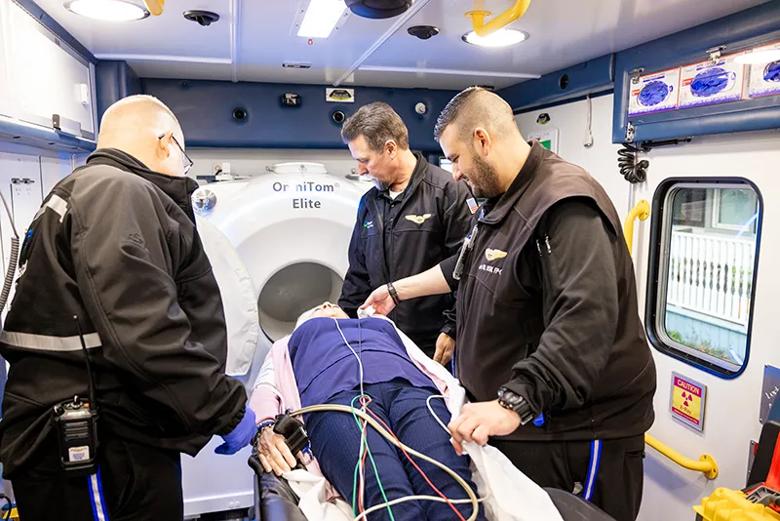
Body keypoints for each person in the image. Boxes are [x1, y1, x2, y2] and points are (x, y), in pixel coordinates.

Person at [362, 87, 656, 521]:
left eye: (457, 158)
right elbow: (465, 267)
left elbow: (586, 318)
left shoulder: (564, 203)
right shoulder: (503, 200)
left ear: (482, 139)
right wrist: (397, 290)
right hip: (526, 427)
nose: (456, 174)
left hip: (575, 433)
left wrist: (513, 403)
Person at [0, 95, 256, 521]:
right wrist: (228, 410)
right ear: (165, 141)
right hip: (98, 442)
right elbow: (144, 332)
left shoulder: (84, 189)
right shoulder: (118, 192)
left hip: (100, 428)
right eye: (184, 156)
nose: (182, 169)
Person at [251, 302, 486, 521]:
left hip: (413, 390)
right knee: (387, 496)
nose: (326, 304)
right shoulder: (288, 342)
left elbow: (424, 363)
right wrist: (265, 425)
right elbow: (266, 385)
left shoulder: (381, 324)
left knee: (449, 485)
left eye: (332, 304)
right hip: (336, 402)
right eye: (315, 310)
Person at [338, 102, 474, 365]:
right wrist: (341, 325)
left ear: (390, 148)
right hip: (380, 341)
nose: (360, 170)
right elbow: (358, 275)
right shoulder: (369, 203)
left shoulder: (447, 191)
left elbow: (467, 267)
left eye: (365, 160)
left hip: (433, 343)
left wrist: (453, 328)